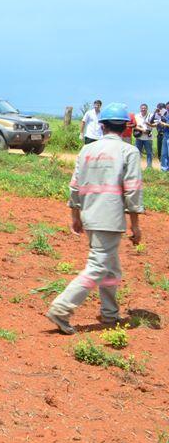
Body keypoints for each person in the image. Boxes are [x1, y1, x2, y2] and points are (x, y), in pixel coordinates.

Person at [46, 103, 143, 334]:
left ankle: (110, 313)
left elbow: (75, 186)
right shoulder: (129, 152)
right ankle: (61, 308)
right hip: (109, 218)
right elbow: (132, 190)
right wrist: (136, 225)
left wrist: (75, 215)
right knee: (99, 266)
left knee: (111, 269)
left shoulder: (86, 150)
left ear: (102, 125)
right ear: (126, 128)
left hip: (90, 214)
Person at [134, 103, 154, 169]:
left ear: (147, 109)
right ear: (140, 108)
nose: (143, 109)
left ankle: (149, 167)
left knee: (149, 153)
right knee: (137, 153)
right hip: (139, 137)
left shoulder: (151, 115)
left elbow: (154, 124)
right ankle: (137, 167)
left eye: (144, 108)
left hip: (148, 138)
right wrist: (143, 130)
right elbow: (134, 125)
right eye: (142, 108)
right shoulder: (136, 116)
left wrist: (148, 130)